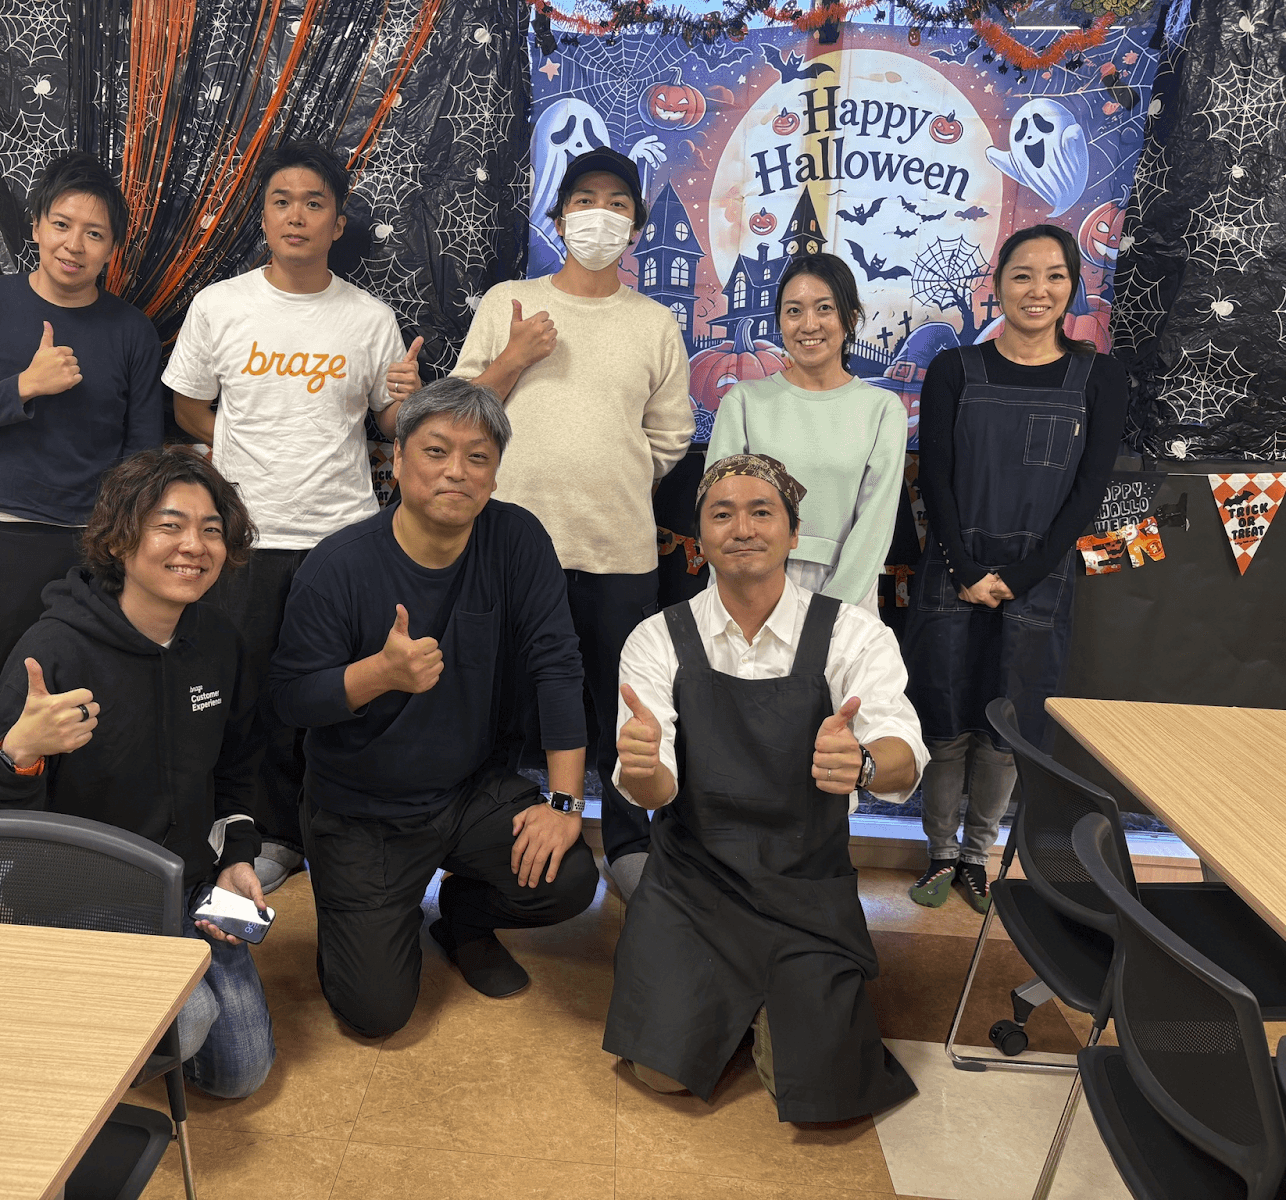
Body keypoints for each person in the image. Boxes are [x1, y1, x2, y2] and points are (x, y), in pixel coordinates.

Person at [268, 378, 598, 1037]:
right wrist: (378, 673)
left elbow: (557, 667)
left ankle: (464, 919)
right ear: (398, 459)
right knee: (376, 1013)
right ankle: (360, 914)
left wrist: (564, 805)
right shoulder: (339, 566)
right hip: (363, 813)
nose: (458, 471)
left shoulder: (516, 541)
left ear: (497, 472)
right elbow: (292, 699)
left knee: (568, 878)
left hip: (470, 792)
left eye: (478, 457)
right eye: (437, 451)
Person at [604, 454, 924, 1120]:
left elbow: (904, 753)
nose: (742, 527)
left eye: (761, 511)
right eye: (722, 513)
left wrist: (863, 763)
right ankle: (731, 1000)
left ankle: (757, 1003)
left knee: (825, 1091)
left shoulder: (852, 632)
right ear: (700, 534)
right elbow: (656, 788)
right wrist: (641, 770)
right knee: (661, 1075)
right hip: (693, 887)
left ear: (793, 531)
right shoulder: (657, 639)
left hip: (804, 888)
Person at [0, 446, 275, 1099]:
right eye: (170, 525)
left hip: (187, 884)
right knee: (191, 1026)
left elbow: (238, 765)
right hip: (83, 896)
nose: (194, 545)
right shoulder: (55, 649)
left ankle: (138, 1001)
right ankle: (64, 999)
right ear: (122, 540)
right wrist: (21, 752)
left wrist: (236, 858)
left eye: (211, 529)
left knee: (242, 1072)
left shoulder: (216, 642)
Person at [163, 141, 422, 894]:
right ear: (264, 214)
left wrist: (404, 390)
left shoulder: (368, 317)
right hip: (243, 537)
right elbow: (187, 401)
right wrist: (244, 444)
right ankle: (267, 833)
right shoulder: (221, 305)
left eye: (314, 203)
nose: (297, 215)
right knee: (250, 692)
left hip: (341, 536)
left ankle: (335, 828)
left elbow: (391, 424)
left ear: (338, 222)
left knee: (339, 689)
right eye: (282, 201)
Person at [453, 145, 694, 903]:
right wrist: (515, 358)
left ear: (636, 225)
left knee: (621, 704)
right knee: (499, 702)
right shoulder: (509, 303)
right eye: (585, 199)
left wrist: (612, 478)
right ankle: (500, 839)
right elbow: (460, 417)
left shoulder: (654, 323)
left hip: (619, 551)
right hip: (508, 550)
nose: (600, 214)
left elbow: (670, 436)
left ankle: (627, 842)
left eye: (617, 203)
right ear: (559, 218)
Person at [903, 225, 1128, 913]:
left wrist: (1025, 576)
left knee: (1009, 727)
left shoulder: (1099, 376)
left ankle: (978, 858)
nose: (1038, 289)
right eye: (1022, 275)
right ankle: (940, 852)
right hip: (952, 570)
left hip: (1042, 576)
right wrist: (966, 567)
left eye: (1054, 275)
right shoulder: (954, 370)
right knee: (943, 719)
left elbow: (1089, 491)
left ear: (1072, 287)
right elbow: (933, 480)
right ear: (996, 284)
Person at [0, 152, 163, 693]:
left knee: (105, 687)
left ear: (113, 247)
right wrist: (24, 386)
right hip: (9, 533)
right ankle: (15, 780)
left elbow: (143, 450)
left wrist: (124, 537)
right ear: (35, 227)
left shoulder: (132, 330)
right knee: (17, 687)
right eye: (61, 225)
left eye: (95, 234)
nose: (74, 246)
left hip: (101, 541)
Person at [705, 252, 907, 611]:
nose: (808, 324)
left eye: (824, 308)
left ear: (851, 318)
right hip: (748, 585)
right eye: (794, 310)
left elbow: (874, 525)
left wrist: (829, 612)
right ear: (779, 320)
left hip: (847, 590)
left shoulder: (882, 410)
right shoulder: (744, 401)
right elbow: (720, 511)